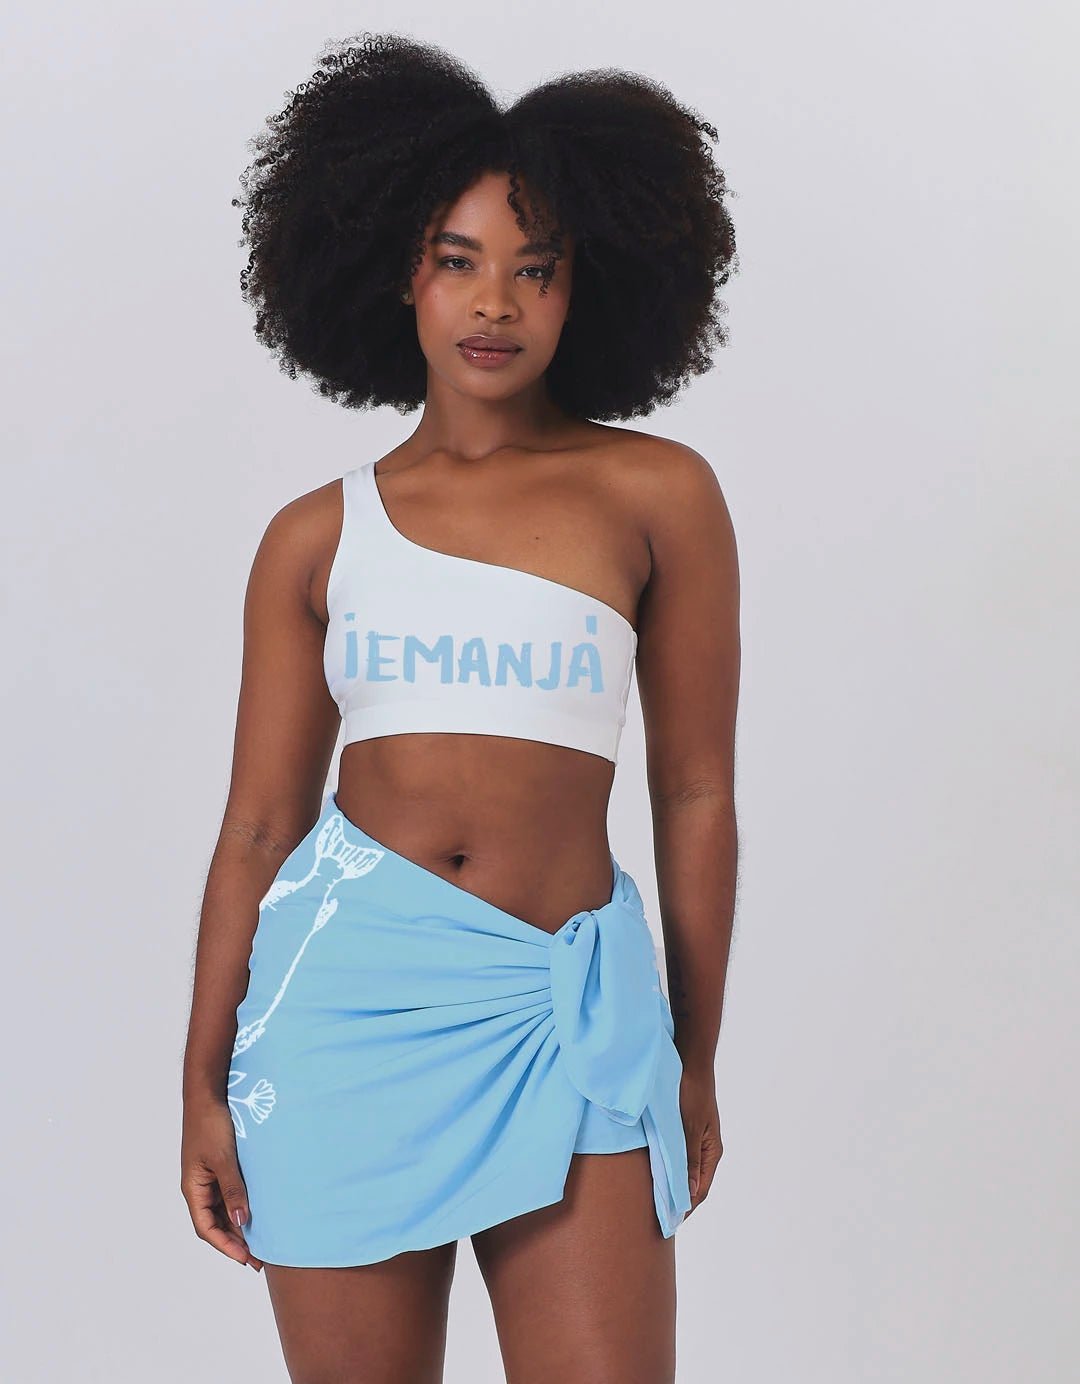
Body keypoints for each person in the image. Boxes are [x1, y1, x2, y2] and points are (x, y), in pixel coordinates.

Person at [180, 30, 741, 1384]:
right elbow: (258, 825)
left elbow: (695, 792)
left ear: (586, 285)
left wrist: (693, 1050)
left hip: (568, 1016)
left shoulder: (656, 495)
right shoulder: (316, 537)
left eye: (535, 267)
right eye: (458, 259)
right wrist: (200, 1081)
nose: (497, 303)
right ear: (398, 272)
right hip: (345, 1017)